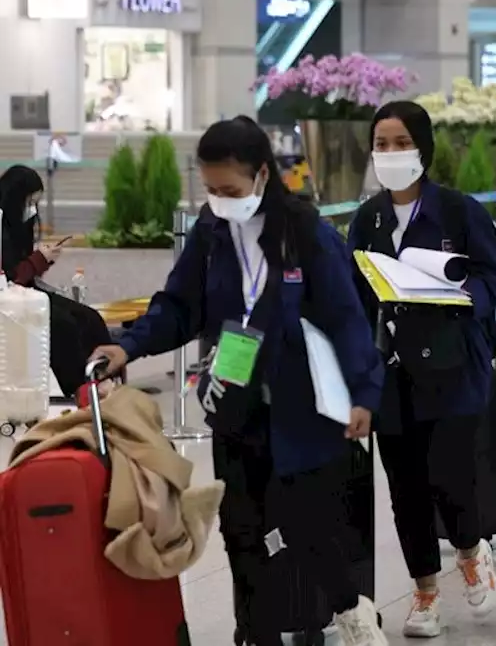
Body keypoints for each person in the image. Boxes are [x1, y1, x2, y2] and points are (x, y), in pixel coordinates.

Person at [90, 117, 388, 646]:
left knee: (307, 529)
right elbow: (179, 307)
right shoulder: (209, 234)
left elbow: (346, 317)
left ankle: (350, 611)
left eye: (230, 189)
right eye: (210, 189)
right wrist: (128, 344)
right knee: (242, 532)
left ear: (263, 176)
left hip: (302, 407)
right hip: (234, 402)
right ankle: (255, 634)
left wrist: (365, 393)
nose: (220, 200)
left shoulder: (307, 234)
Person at [346, 101, 496, 637]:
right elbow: (354, 292)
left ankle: (469, 549)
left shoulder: (460, 212)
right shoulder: (367, 218)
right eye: (382, 144)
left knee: (450, 477)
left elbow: (492, 277)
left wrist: (464, 298)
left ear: (424, 148)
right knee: (406, 486)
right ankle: (425, 593)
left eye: (400, 143)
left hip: (453, 366)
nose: (391, 154)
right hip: (390, 373)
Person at [0, 166, 112, 395]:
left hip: (26, 292)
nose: (32, 210)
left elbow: (25, 273)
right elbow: (12, 276)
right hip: (9, 298)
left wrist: (43, 260)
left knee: (89, 318)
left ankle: (106, 377)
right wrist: (39, 259)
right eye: (29, 202)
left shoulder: (20, 226)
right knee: (63, 325)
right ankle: (78, 389)